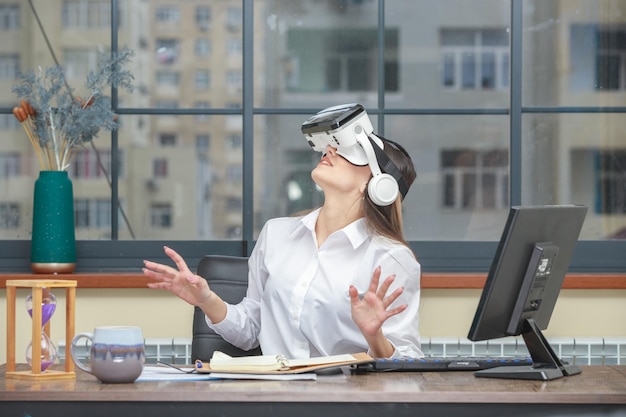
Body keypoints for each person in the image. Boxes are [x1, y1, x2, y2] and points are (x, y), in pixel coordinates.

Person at [143, 104, 422, 360]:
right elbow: (251, 330)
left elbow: (408, 360)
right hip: (275, 395)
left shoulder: (391, 259)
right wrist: (207, 301)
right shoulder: (276, 234)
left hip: (344, 399)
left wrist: (375, 338)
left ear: (379, 185)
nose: (330, 151)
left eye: (352, 152)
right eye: (332, 145)